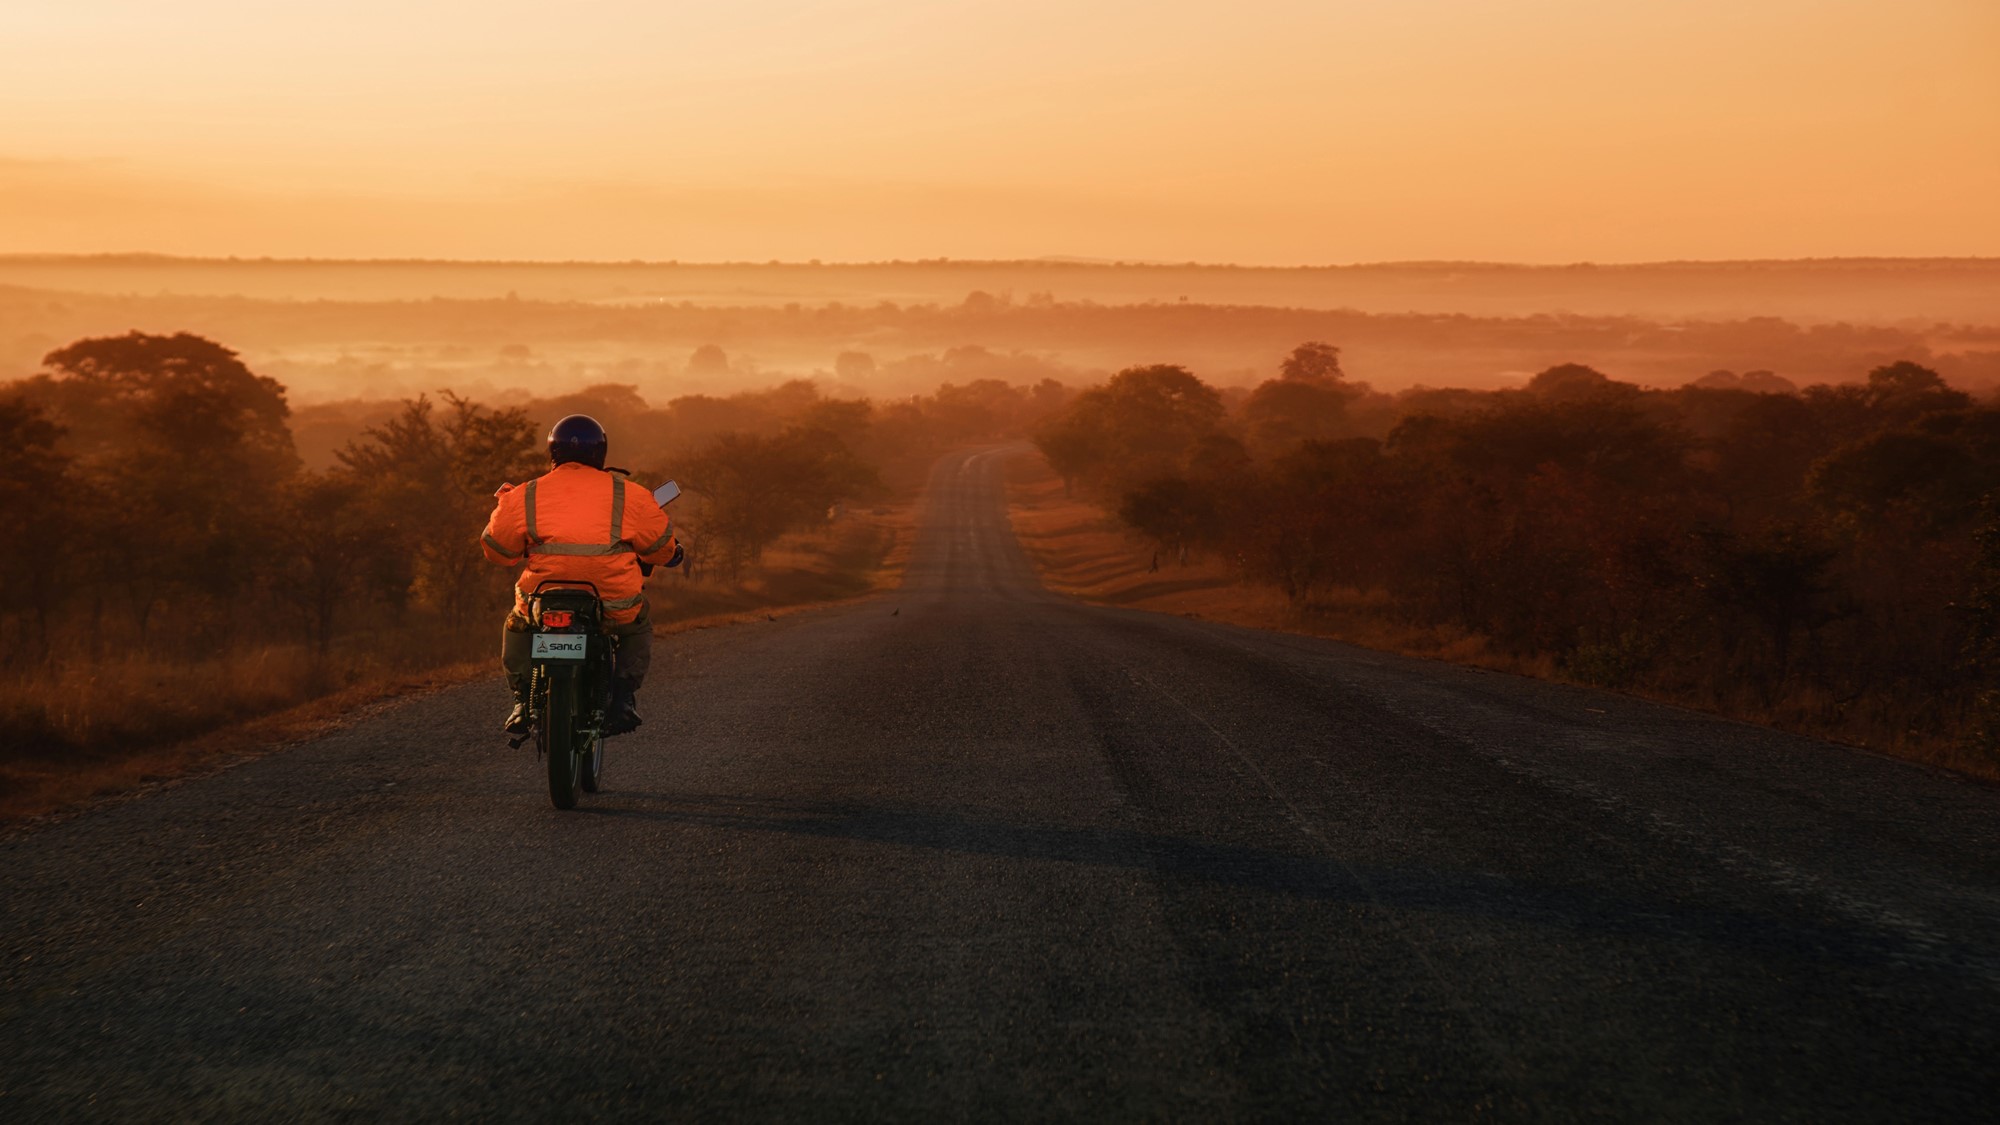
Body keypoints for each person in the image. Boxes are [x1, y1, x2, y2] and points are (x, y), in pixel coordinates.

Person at [480, 415, 682, 736]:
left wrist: (525, 548)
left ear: (553, 452)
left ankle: (521, 701)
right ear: (600, 452)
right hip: (612, 601)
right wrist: (672, 553)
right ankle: (623, 700)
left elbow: (496, 551)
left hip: (541, 599)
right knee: (637, 623)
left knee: (517, 624)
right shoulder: (630, 494)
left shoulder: (524, 494)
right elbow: (661, 549)